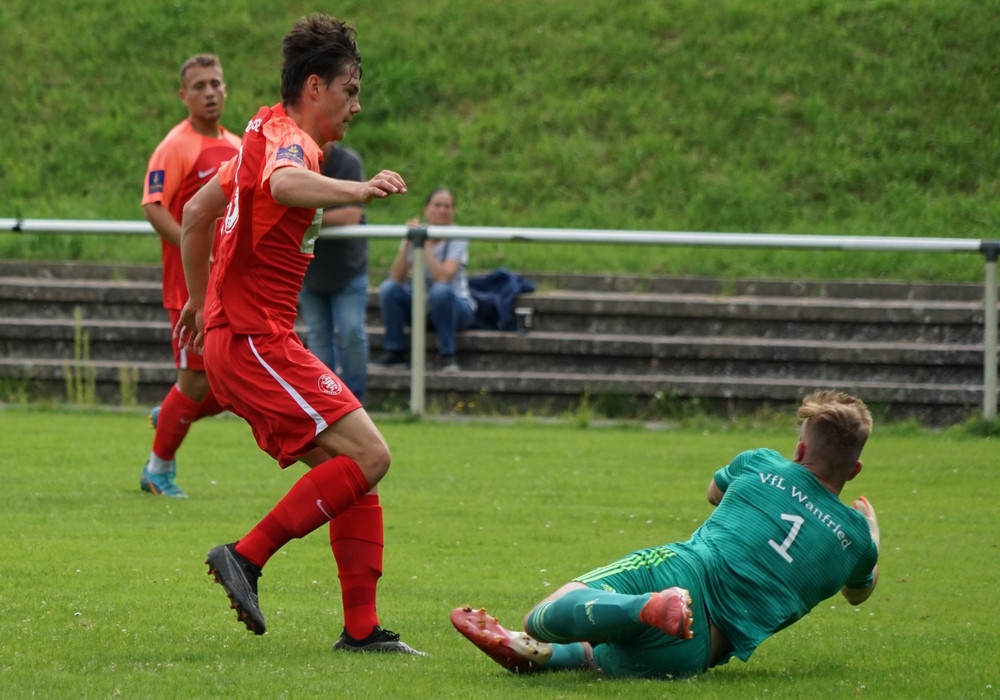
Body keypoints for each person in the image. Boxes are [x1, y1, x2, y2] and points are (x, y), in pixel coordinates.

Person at [174, 14, 424, 655]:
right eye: (350, 90)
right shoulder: (291, 142)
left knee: (354, 469)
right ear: (315, 86)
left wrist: (201, 304)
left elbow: (198, 214)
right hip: (256, 340)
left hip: (239, 340)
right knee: (371, 457)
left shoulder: (257, 136)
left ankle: (362, 630)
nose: (356, 105)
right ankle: (246, 556)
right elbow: (285, 184)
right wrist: (358, 189)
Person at [451, 390, 880, 679]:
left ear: (800, 449)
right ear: (854, 471)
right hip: (698, 650)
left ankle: (641, 606)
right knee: (593, 658)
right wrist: (872, 536)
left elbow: (714, 494)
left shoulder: (762, 462)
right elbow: (859, 592)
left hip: (682, 574)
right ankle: (537, 652)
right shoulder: (856, 540)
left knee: (544, 616)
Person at [139, 53, 242, 498]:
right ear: (184, 96)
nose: (209, 92)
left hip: (231, 286)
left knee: (233, 381)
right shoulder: (176, 146)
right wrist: (196, 248)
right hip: (189, 287)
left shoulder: (238, 145)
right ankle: (157, 470)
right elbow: (153, 207)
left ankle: (171, 414)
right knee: (197, 380)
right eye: (199, 86)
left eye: (215, 83)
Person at [373, 188, 476, 373]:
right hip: (421, 307)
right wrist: (408, 243)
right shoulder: (415, 234)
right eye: (437, 205)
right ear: (426, 209)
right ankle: (395, 352)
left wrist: (424, 244)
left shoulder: (457, 236)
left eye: (447, 206)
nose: (442, 210)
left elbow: (443, 277)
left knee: (440, 291)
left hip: (457, 308)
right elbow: (396, 277)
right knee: (389, 289)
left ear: (453, 211)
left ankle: (448, 356)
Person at [298, 143, 370, 402]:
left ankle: (355, 400)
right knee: (318, 337)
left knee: (352, 333)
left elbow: (351, 215)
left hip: (348, 270)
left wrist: (306, 218)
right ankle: (325, 401)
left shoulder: (348, 163)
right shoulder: (296, 162)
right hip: (309, 271)